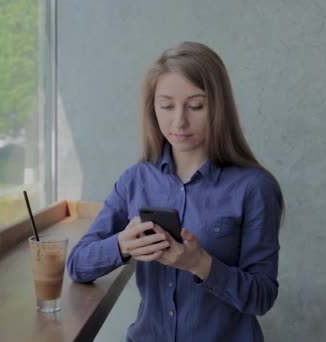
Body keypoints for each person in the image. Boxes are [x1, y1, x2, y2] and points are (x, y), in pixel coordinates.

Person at [66, 41, 284, 342]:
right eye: (166, 106)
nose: (179, 121)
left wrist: (200, 264)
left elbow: (262, 296)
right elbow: (77, 266)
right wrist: (121, 245)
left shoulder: (255, 188)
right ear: (152, 108)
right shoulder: (135, 180)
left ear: (218, 107)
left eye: (196, 106)